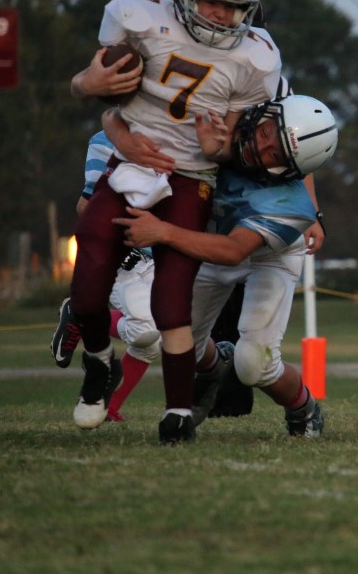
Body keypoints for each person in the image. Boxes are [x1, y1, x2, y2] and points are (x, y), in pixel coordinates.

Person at [66, 0, 282, 445]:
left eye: (233, 6)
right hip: (130, 166)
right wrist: (89, 87)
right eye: (212, 1)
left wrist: (216, 146)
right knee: (88, 283)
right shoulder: (139, 18)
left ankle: (179, 411)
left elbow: (227, 147)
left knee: (172, 299)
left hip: (192, 177)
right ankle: (98, 362)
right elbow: (89, 91)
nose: (222, 15)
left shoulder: (255, 57)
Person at [109, 93, 338, 438]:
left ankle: (303, 407)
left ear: (290, 171)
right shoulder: (219, 125)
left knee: (254, 365)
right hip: (207, 243)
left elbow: (233, 251)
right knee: (179, 343)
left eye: (275, 154)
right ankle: (215, 365)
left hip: (267, 257)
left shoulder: (289, 203)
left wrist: (164, 231)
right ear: (261, 115)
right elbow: (115, 119)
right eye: (266, 133)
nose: (259, 148)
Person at [49, 130, 161, 423]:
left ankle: (109, 408)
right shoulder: (107, 140)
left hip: (161, 252)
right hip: (128, 255)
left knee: (151, 342)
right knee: (147, 330)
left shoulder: (176, 131)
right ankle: (82, 316)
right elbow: (87, 205)